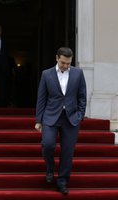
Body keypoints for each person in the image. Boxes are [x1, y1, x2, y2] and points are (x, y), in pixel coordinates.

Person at [35, 47, 87, 195]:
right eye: (63, 62)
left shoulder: (78, 73)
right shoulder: (46, 74)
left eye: (68, 63)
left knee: (67, 152)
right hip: (50, 116)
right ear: (57, 58)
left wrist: (80, 115)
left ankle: (62, 181)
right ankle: (50, 168)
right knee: (48, 144)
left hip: (71, 118)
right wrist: (38, 120)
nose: (65, 66)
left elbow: (82, 96)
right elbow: (41, 98)